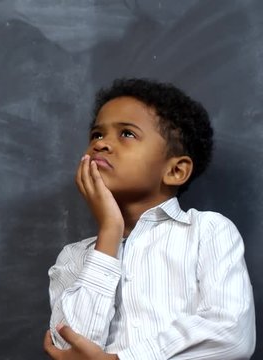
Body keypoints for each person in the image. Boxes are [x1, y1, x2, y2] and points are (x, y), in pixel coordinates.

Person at [43, 78, 256, 359]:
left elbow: (231, 334)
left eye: (127, 134)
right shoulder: (73, 257)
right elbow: (68, 348)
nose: (101, 144)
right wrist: (110, 231)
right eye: (96, 135)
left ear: (176, 171)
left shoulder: (207, 231)